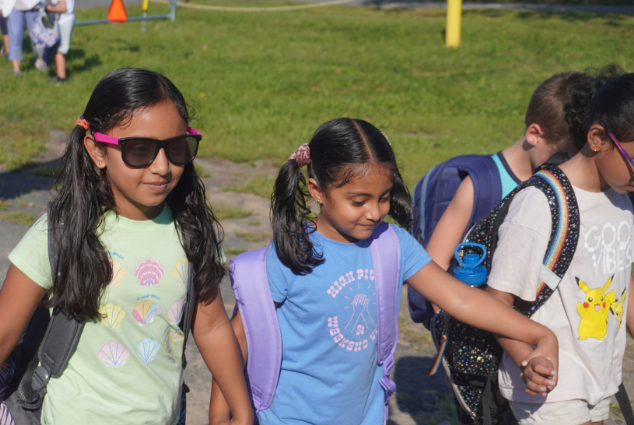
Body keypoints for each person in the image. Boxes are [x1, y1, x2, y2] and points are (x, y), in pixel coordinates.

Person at [0, 68, 254, 425]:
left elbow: (211, 328)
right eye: (140, 150)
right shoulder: (60, 233)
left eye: (176, 148)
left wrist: (242, 411)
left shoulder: (192, 232)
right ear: (97, 150)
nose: (162, 167)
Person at [210, 118, 560, 424]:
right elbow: (236, 339)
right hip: (290, 417)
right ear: (317, 190)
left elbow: (460, 299)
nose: (375, 212)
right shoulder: (289, 255)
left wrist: (539, 335)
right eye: (358, 201)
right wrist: (219, 417)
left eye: (384, 197)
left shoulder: (392, 243)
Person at [412, 71, 590, 423]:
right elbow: (430, 265)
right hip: (479, 340)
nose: (571, 167)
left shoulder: (561, 193)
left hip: (530, 342)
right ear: (534, 134)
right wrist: (450, 336)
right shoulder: (482, 185)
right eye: (565, 155)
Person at [486, 71, 634, 425]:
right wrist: (527, 360)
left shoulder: (623, 199)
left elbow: (623, 281)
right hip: (549, 385)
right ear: (598, 137)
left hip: (599, 375)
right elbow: (494, 302)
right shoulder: (540, 204)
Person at [42, 0, 75, 85]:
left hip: (64, 21)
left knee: (60, 49)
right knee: (55, 48)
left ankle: (61, 77)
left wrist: (48, 7)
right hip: (60, 20)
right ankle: (58, 74)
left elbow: (63, 8)